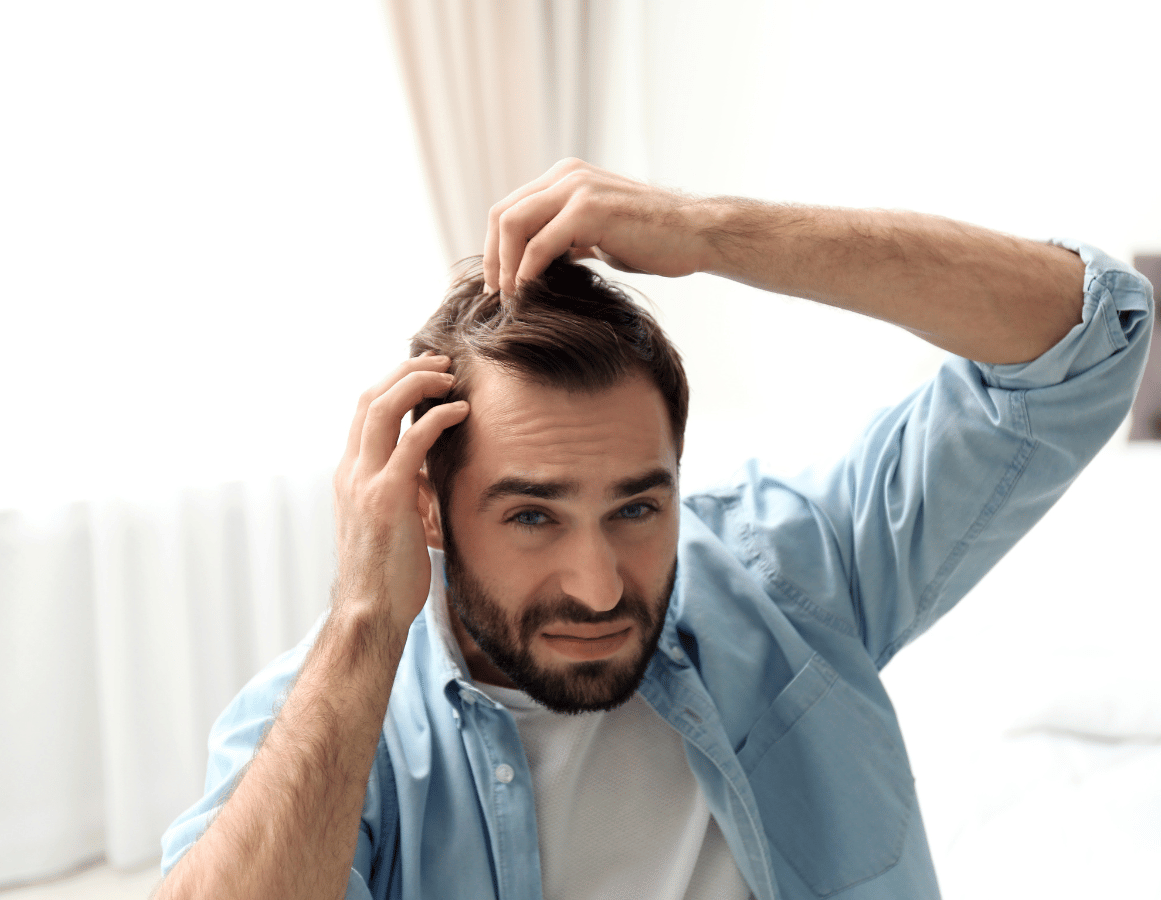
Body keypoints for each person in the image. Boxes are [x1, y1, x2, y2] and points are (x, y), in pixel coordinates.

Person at [156, 159, 1153, 900]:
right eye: (533, 516)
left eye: (638, 507)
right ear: (427, 502)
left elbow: (1092, 337)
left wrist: (719, 231)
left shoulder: (792, 569)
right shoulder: (327, 721)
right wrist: (368, 618)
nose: (598, 585)